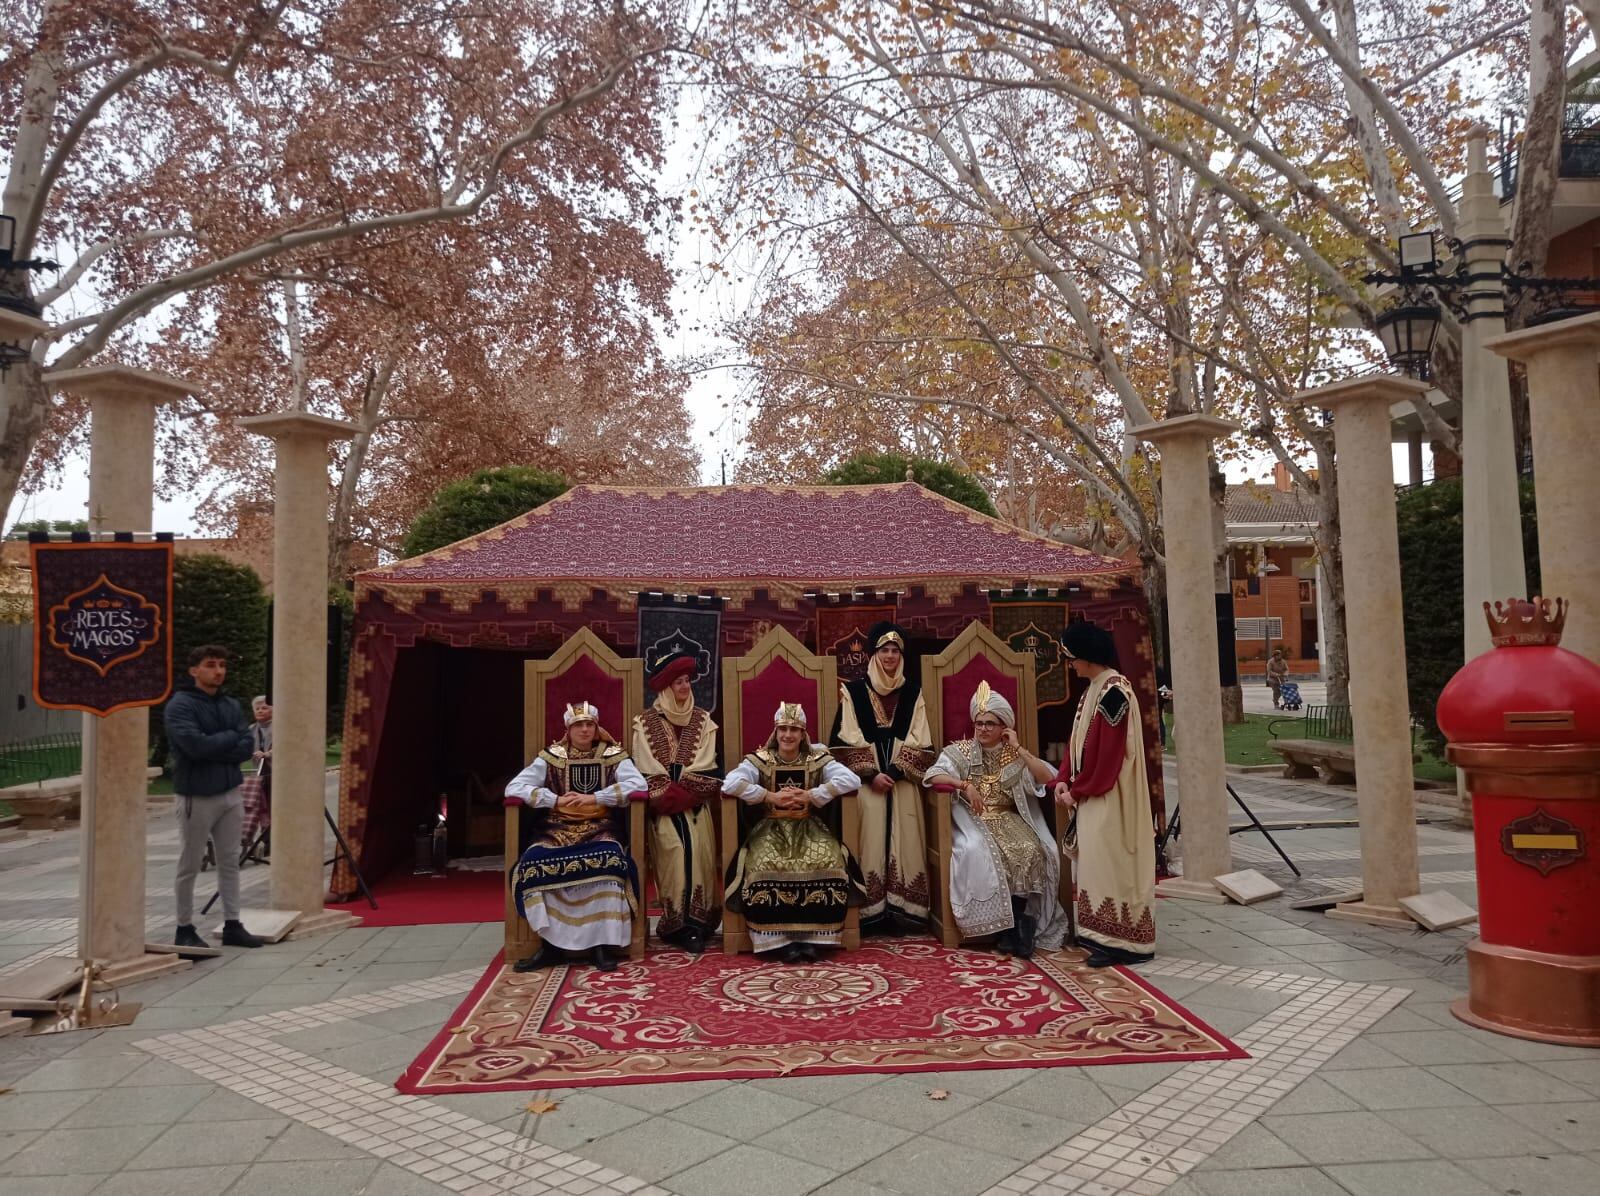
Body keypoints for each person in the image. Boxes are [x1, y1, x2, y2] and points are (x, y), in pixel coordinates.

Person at [923, 681, 1067, 956]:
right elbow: (933, 775)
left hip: (1009, 818)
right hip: (971, 819)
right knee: (981, 851)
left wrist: (1019, 748)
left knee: (1031, 849)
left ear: (1004, 728)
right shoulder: (961, 750)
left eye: (990, 723)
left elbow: (1048, 778)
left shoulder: (1013, 755)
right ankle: (1010, 930)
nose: (983, 729)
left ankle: (1013, 929)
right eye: (979, 723)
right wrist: (963, 784)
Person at [506, 701, 646, 973]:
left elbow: (638, 785)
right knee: (533, 864)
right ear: (568, 729)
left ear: (596, 728)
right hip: (556, 829)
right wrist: (554, 800)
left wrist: (595, 797)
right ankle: (551, 947)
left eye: (589, 725)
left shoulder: (613, 754)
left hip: (600, 826)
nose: (584, 729)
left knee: (610, 862)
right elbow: (515, 786)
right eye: (578, 725)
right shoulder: (551, 756)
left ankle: (602, 946)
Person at [723, 702, 864, 962]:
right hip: (771, 827)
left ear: (803, 734)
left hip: (808, 827)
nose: (788, 735)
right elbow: (731, 783)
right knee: (762, 862)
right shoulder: (760, 760)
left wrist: (813, 795)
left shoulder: (817, 759)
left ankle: (811, 939)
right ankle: (776, 940)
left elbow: (851, 780)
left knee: (830, 859)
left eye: (794, 730)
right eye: (783, 729)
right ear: (775, 732)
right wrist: (768, 796)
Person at [1052, 621, 1156, 967]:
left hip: (1112, 796)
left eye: (1071, 658)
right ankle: (1103, 938)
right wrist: (1063, 778)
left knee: (1112, 865)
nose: (1070, 664)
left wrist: (1077, 790)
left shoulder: (1114, 691)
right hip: (1093, 793)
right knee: (1097, 867)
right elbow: (1077, 740)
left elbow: (1108, 754)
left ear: (1087, 657)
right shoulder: (1094, 688)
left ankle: (1124, 944)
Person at [831, 622, 935, 934]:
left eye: (895, 650)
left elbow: (923, 741)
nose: (890, 656)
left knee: (906, 841)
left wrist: (893, 772)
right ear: (874, 654)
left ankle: (903, 911)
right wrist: (873, 774)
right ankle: (870, 911)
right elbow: (843, 740)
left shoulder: (913, 693)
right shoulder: (852, 692)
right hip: (868, 788)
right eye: (884, 650)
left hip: (902, 785)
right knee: (870, 840)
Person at [165, 645, 266, 949]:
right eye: (211, 665)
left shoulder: (231, 704)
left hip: (230, 792)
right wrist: (227, 741)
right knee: (190, 863)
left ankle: (233, 922)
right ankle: (184, 927)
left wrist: (219, 744)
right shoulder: (180, 705)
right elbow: (194, 746)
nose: (218, 671)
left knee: (230, 860)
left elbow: (246, 745)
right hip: (197, 795)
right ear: (194, 670)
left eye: (222, 665)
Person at [631, 649, 722, 953]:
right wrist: (669, 798)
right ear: (666, 687)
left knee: (699, 853)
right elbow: (646, 768)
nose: (684, 687)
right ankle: (676, 924)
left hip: (696, 807)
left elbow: (707, 765)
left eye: (687, 681)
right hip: (664, 811)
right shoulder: (644, 724)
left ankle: (700, 923)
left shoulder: (703, 721)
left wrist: (685, 794)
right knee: (674, 853)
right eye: (678, 682)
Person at [240, 695, 273, 863]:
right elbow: (244, 746)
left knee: (273, 808)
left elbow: (285, 745)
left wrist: (267, 754)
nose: (260, 711)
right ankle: (258, 840)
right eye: (257, 709)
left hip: (275, 774)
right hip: (258, 775)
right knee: (259, 809)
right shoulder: (251, 729)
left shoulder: (279, 727)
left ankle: (270, 841)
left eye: (265, 708)